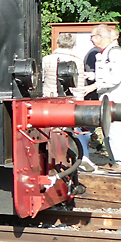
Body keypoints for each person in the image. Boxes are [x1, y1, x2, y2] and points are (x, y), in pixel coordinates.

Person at [43, 33, 97, 172]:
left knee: (52, 130)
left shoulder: (47, 59)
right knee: (72, 130)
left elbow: (42, 79)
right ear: (73, 45)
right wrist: (78, 102)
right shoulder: (77, 61)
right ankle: (79, 157)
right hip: (70, 100)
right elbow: (78, 85)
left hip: (50, 99)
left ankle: (53, 158)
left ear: (58, 43)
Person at [89, 24, 121, 174]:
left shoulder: (115, 54)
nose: (91, 40)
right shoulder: (106, 53)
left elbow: (115, 78)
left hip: (115, 97)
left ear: (100, 37)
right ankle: (115, 161)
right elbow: (107, 75)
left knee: (113, 129)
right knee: (107, 129)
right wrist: (91, 76)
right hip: (108, 97)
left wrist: (93, 86)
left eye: (92, 36)